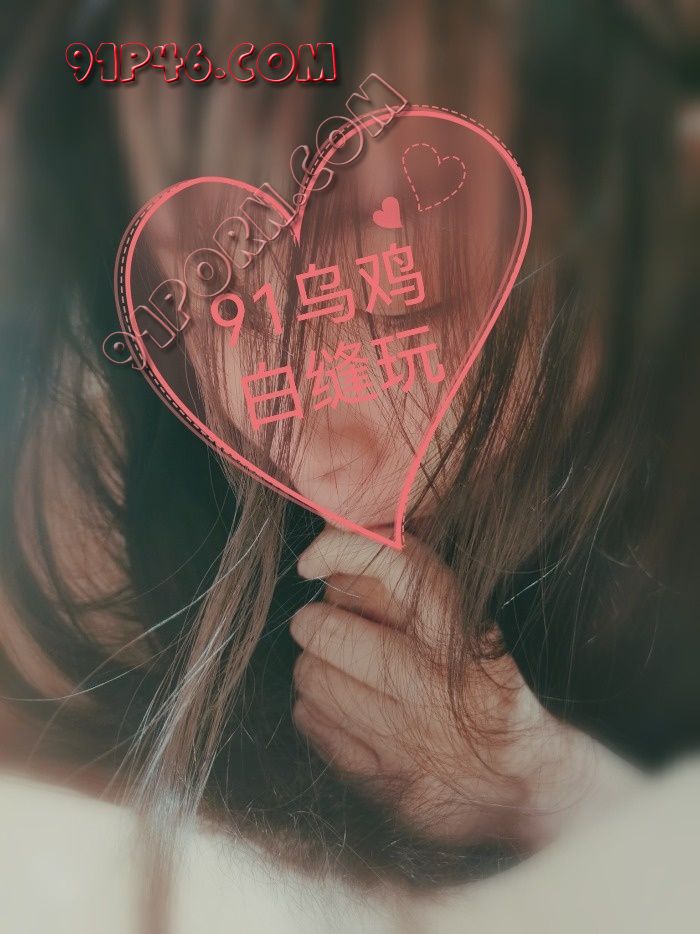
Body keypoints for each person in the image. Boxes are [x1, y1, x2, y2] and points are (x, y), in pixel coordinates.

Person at [1, 0, 698, 906]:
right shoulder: (88, 489)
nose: (312, 448)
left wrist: (547, 788)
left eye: (410, 303)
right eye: (211, 289)